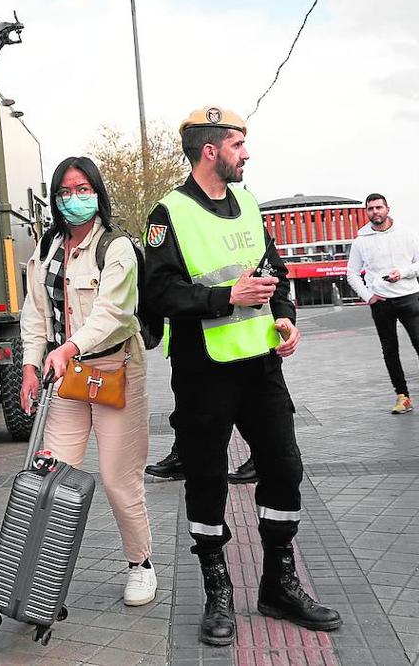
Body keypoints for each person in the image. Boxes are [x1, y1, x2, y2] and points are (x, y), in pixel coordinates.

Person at [145, 106, 340, 646]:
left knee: (283, 466)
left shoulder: (251, 204)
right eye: (237, 144)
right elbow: (158, 295)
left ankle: (278, 583)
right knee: (206, 482)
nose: (246, 153)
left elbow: (273, 272)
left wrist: (285, 316)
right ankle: (217, 591)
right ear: (210, 151)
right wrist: (223, 297)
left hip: (261, 365)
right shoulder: (168, 214)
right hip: (204, 371)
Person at [18, 156, 157, 607]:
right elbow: (36, 312)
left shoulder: (115, 247)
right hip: (68, 377)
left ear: (97, 193)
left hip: (114, 370)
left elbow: (114, 314)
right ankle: (42, 574)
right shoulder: (47, 247)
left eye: (83, 189)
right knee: (50, 473)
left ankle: (141, 564)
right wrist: (30, 365)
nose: (74, 199)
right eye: (65, 191)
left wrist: (69, 347)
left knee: (119, 479)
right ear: (55, 198)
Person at [346, 193, 419, 414]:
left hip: (409, 297)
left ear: (387, 208)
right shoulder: (360, 241)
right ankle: (403, 397)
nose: (375, 212)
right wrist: (368, 296)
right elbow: (351, 273)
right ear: (366, 212)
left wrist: (404, 273)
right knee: (390, 350)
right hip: (381, 302)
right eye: (370, 209)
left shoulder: (406, 233)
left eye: (379, 207)